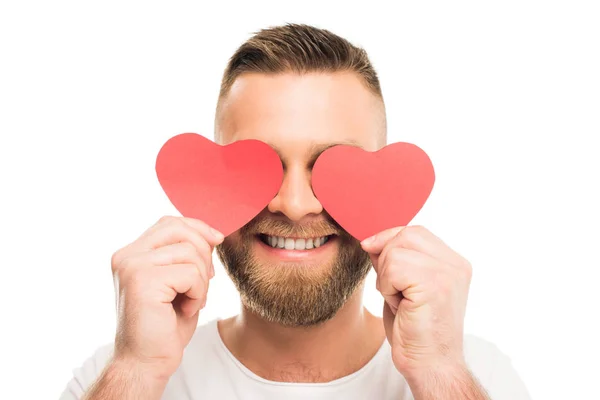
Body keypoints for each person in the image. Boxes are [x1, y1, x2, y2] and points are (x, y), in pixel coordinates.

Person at [60, 23, 530, 400]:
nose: (295, 203)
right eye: (258, 164)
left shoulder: (478, 377)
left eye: (332, 166)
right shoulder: (114, 378)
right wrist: (137, 372)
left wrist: (441, 375)